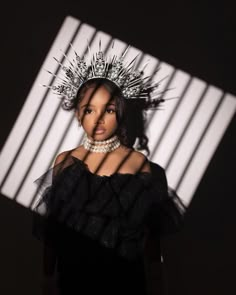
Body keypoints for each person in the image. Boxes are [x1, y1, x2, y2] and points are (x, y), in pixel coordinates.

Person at [32, 44, 186, 295]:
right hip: (75, 279)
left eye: (109, 110)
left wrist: (158, 284)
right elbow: (53, 232)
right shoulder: (67, 162)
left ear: (120, 113)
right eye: (90, 110)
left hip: (125, 281)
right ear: (78, 116)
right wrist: (47, 281)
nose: (99, 118)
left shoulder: (140, 165)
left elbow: (152, 240)